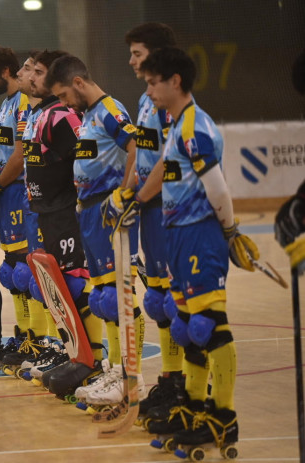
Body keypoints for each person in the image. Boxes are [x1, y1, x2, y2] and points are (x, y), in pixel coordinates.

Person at [121, 46, 259, 450]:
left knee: (207, 325)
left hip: (200, 232)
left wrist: (230, 232)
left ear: (174, 81)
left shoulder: (195, 127)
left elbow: (217, 188)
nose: (148, 91)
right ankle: (194, 407)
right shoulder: (176, 125)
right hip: (177, 232)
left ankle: (224, 417)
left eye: (152, 82)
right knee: (184, 326)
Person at [46, 54, 146, 401]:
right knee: (103, 298)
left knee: (119, 295)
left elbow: (137, 147)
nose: (62, 103)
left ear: (77, 83)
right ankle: (114, 373)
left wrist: (126, 193)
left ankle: (131, 377)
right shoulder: (88, 116)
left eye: (61, 96)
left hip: (109, 209)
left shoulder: (109, 109)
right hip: (88, 211)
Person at [17, 50, 105, 390]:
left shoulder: (61, 116)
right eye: (33, 72)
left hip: (66, 212)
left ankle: (92, 362)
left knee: (77, 285)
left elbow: (82, 163)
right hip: (45, 213)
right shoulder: (38, 115)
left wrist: (81, 206)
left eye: (39, 72)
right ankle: (72, 355)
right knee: (55, 286)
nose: (35, 78)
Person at [0, 46, 52, 375]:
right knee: (11, 272)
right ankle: (24, 338)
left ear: (5, 71)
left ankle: (41, 341)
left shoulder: (23, 102)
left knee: (26, 270)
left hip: (19, 190)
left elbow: (19, 156)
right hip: (7, 192)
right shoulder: (6, 104)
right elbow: (3, 151)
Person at [121, 22, 186, 416]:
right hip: (148, 207)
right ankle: (170, 378)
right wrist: (127, 191)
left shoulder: (170, 102)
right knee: (158, 299)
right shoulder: (147, 100)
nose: (130, 61)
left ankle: (187, 383)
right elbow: (140, 153)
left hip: (169, 207)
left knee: (177, 303)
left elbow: (167, 160)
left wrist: (140, 194)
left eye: (137, 54)